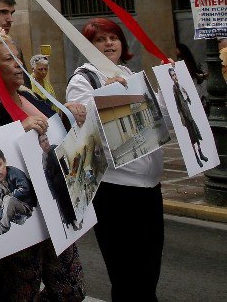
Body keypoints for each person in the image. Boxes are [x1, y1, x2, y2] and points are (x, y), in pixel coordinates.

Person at [0, 32, 86, 301]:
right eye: (8, 59)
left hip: (54, 211)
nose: (17, 64)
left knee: (71, 290)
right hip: (22, 221)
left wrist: (68, 113)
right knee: (21, 293)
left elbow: (55, 134)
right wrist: (17, 130)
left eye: (18, 58)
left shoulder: (32, 97)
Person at [66, 17, 164, 301]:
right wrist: (107, 93)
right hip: (116, 191)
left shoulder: (130, 74)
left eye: (113, 38)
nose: (109, 43)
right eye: (100, 39)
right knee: (127, 277)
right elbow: (84, 126)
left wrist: (173, 87)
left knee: (149, 274)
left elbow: (157, 121)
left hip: (149, 188)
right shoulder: (83, 79)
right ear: (90, 46)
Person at [0, 146, 35, 240]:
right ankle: (14, 218)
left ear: (5, 162)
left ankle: (1, 229)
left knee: (7, 199)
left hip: (24, 205)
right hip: (8, 208)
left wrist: (9, 197)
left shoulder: (14, 173)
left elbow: (25, 189)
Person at [38, 131, 82, 234]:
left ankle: (78, 221)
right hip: (57, 188)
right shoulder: (43, 158)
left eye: (46, 139)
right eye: (42, 141)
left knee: (72, 204)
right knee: (64, 208)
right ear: (40, 145)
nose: (45, 142)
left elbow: (67, 162)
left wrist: (70, 177)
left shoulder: (56, 148)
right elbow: (48, 177)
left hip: (65, 182)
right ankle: (71, 224)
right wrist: (53, 193)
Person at [169, 66, 208, 165]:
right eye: (172, 75)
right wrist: (182, 117)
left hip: (190, 114)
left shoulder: (180, 86)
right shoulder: (174, 89)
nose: (175, 76)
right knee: (192, 138)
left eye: (175, 74)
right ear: (171, 77)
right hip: (185, 116)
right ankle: (196, 158)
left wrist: (188, 95)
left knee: (196, 133)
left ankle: (201, 153)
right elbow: (178, 104)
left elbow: (187, 98)